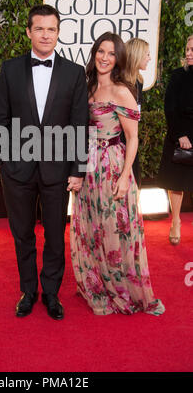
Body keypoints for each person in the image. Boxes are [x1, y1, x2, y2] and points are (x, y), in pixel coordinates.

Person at [0, 4, 88, 320]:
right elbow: (1, 118)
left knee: (54, 236)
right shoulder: (9, 69)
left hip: (57, 171)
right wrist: (1, 161)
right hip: (17, 170)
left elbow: (78, 123)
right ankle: (28, 291)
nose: (46, 34)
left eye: (51, 29)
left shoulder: (74, 73)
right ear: (29, 32)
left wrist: (77, 169)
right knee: (22, 234)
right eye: (40, 28)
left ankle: (51, 294)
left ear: (58, 33)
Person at [70, 32, 165, 316]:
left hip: (111, 166)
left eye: (111, 54)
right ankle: (95, 281)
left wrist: (125, 177)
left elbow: (132, 138)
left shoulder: (123, 90)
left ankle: (121, 287)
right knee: (91, 226)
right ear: (94, 53)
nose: (105, 58)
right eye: (101, 51)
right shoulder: (86, 87)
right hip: (86, 166)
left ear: (118, 59)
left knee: (114, 228)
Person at [158, 34, 193, 245]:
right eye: (187, 49)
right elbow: (169, 107)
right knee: (176, 181)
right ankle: (176, 221)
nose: (188, 53)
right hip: (179, 132)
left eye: (192, 50)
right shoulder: (178, 75)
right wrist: (180, 134)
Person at [124, 38, 151, 187]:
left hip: (132, 138)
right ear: (137, 55)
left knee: (135, 182)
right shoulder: (121, 82)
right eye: (147, 54)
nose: (149, 58)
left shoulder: (139, 80)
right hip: (119, 141)